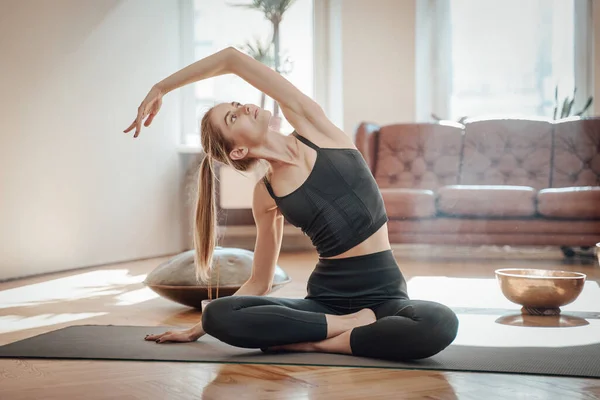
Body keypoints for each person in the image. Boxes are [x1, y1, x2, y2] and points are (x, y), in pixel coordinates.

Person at [126, 47, 459, 361]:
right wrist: (201, 328)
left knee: (440, 322)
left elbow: (231, 59)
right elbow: (260, 281)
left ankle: (315, 343)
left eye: (236, 104)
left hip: (385, 297)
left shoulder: (314, 127)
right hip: (325, 303)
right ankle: (347, 329)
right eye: (232, 118)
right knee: (217, 313)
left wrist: (162, 87)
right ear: (238, 151)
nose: (242, 107)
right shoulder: (267, 193)